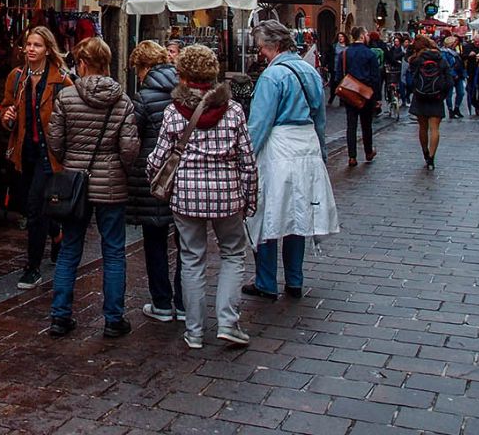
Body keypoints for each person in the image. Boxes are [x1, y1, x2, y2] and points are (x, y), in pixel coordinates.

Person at [146, 45, 257, 349]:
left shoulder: (173, 112)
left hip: (187, 196)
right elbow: (247, 159)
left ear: (182, 74)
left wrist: (154, 180)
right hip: (227, 194)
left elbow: (159, 158)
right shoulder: (232, 111)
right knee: (233, 254)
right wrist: (250, 197)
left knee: (191, 259)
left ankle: (194, 331)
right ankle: (228, 322)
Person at [46, 36, 139, 338]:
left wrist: (71, 160)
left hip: (75, 181)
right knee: (113, 250)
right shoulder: (122, 100)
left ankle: (60, 316)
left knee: (70, 247)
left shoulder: (66, 98)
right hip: (111, 182)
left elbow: (55, 142)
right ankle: (114, 319)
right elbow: (129, 148)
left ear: (82, 64)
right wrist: (120, 169)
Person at [242, 21, 339, 301]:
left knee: (269, 214)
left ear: (272, 46)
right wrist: (321, 153)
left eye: (261, 46)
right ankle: (295, 279)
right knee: (298, 215)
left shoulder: (272, 77)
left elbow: (259, 124)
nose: (260, 52)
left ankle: (266, 281)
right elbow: (320, 118)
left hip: (279, 148)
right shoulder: (310, 71)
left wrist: (246, 158)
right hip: (306, 145)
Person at [0, 26, 72, 290]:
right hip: (24, 152)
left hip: (49, 153)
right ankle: (57, 234)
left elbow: (70, 118)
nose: (30, 49)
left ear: (48, 49)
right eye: (28, 44)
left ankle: (32, 268)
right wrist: (7, 118)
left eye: (37, 45)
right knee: (32, 204)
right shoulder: (16, 77)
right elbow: (7, 107)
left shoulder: (61, 81)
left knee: (34, 208)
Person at [126, 41, 183, 322]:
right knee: (186, 240)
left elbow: (131, 136)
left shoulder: (144, 97)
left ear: (144, 66)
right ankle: (184, 303)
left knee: (155, 239)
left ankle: (162, 302)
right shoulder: (185, 90)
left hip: (154, 175)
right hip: (184, 174)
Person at [405, 34, 452, 170]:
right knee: (435, 129)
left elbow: (410, 80)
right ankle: (431, 157)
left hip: (420, 97)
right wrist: (442, 94)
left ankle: (425, 153)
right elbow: (449, 81)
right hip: (436, 97)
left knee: (422, 127)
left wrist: (415, 90)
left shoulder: (416, 60)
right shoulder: (440, 59)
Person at [341, 27, 382, 167]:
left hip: (349, 92)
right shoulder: (369, 54)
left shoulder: (345, 52)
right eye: (367, 34)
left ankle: (352, 156)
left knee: (351, 125)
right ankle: (368, 151)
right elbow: (376, 77)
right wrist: (377, 97)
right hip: (366, 93)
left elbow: (340, 72)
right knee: (366, 124)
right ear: (363, 36)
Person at [463, 34, 479, 118]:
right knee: (470, 89)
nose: (477, 43)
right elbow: (463, 56)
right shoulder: (468, 47)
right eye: (475, 42)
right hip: (471, 71)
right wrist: (469, 55)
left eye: (478, 42)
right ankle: (475, 104)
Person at [441, 36, 466, 118]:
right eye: (455, 42)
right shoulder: (444, 52)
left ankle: (457, 108)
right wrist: (453, 74)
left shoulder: (455, 52)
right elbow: (446, 65)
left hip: (459, 75)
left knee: (461, 93)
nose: (456, 44)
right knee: (449, 94)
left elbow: (460, 63)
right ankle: (450, 110)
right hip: (450, 76)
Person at [330, 32, 349, 106]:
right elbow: (330, 56)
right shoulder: (334, 46)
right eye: (339, 36)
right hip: (335, 67)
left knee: (343, 85)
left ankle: (342, 100)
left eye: (342, 36)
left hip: (344, 68)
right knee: (334, 84)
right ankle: (331, 98)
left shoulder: (348, 47)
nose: (340, 38)